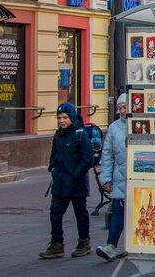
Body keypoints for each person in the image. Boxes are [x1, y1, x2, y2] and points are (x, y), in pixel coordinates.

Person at [40, 103, 94, 259]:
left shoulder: (80, 134)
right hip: (60, 182)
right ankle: (57, 244)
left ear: (72, 117)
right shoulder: (57, 135)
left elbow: (88, 158)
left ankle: (84, 242)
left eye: (65, 117)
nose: (62, 121)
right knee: (55, 213)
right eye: (59, 118)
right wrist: (53, 168)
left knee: (80, 213)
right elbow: (54, 154)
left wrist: (76, 174)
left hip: (76, 182)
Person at [96, 95, 128, 261]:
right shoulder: (114, 128)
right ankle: (111, 246)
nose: (122, 111)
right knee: (118, 211)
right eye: (120, 108)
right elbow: (107, 155)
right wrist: (106, 179)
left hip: (141, 177)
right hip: (120, 179)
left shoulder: (140, 124)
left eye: (125, 107)